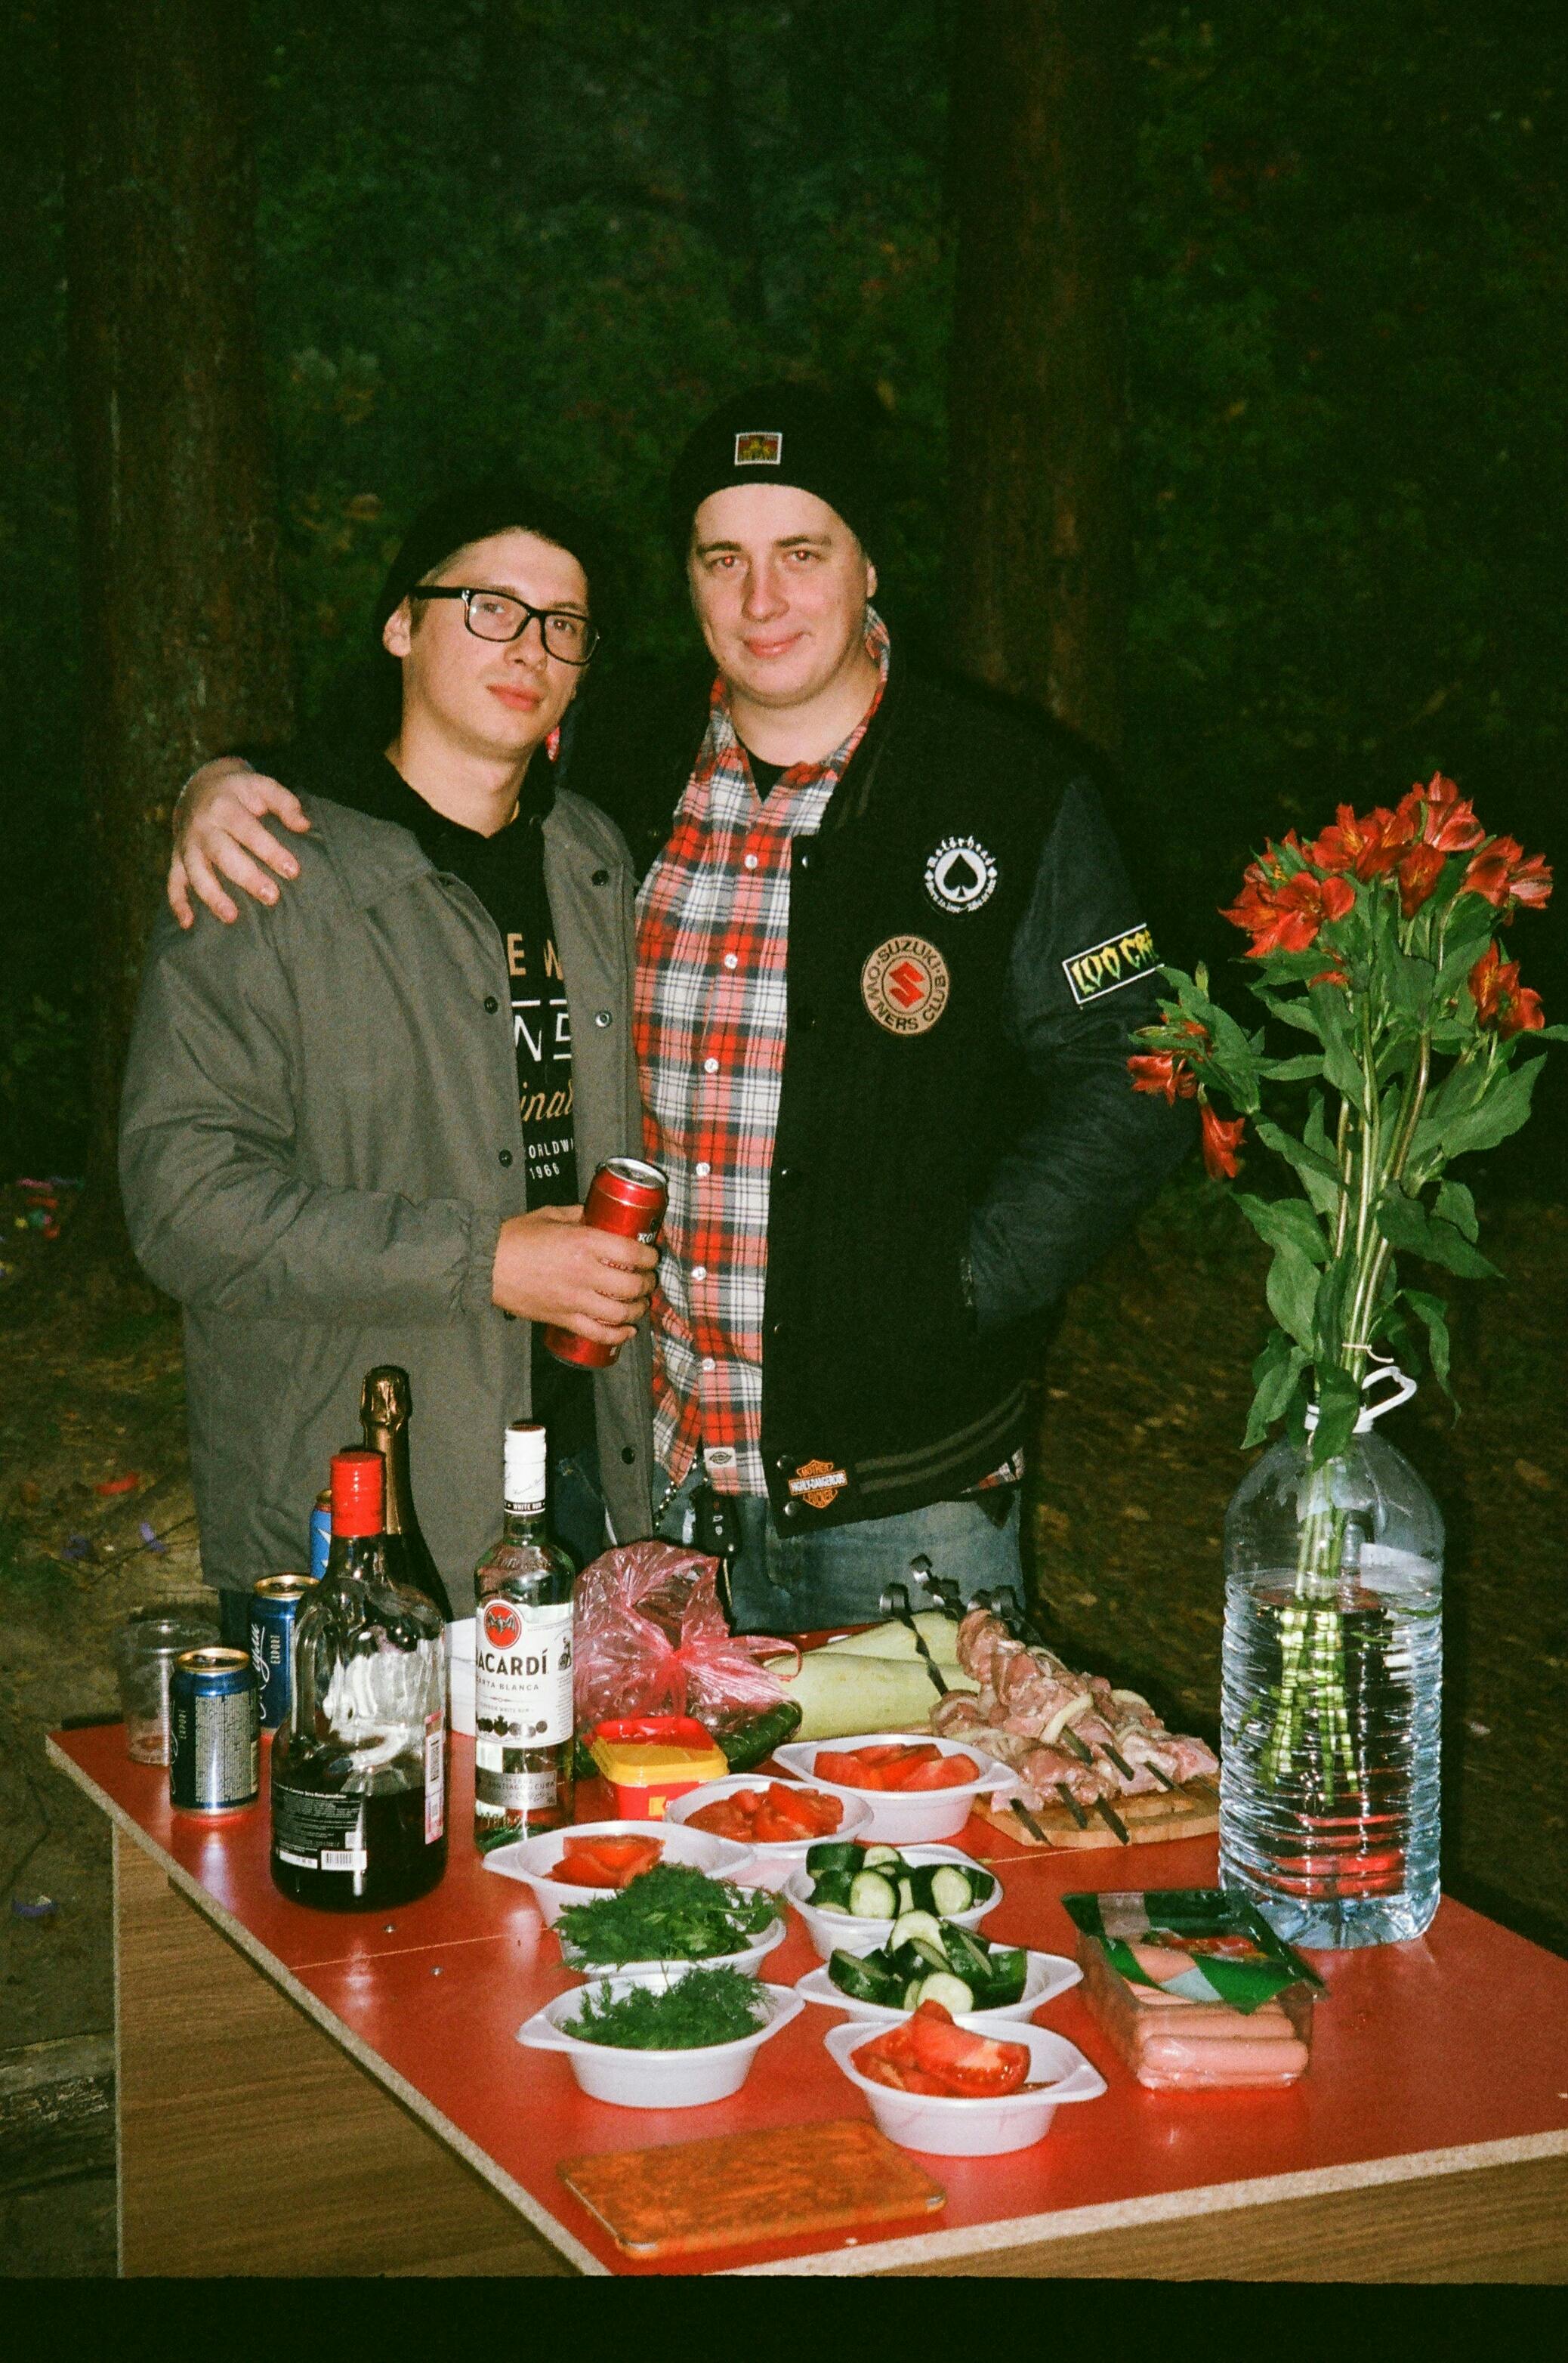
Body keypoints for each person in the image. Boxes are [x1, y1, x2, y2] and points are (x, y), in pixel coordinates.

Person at [167, 391, 1194, 1634]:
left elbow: (1145, 1067)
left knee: (921, 1827)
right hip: (656, 1482)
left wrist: (965, 1283)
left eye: (801, 553)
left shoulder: (1010, 786)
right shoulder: (621, 760)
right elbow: (434, 770)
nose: (763, 601)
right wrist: (229, 780)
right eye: (725, 559)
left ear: (869, 568)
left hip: (906, 1486)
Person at [124, 480, 659, 1641]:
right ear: (400, 624)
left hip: (582, 1482)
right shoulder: (266, 873)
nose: (529, 648)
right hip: (366, 1507)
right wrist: (487, 1262)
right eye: (488, 607)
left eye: (563, 625)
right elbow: (183, 1207)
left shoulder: (593, 857)